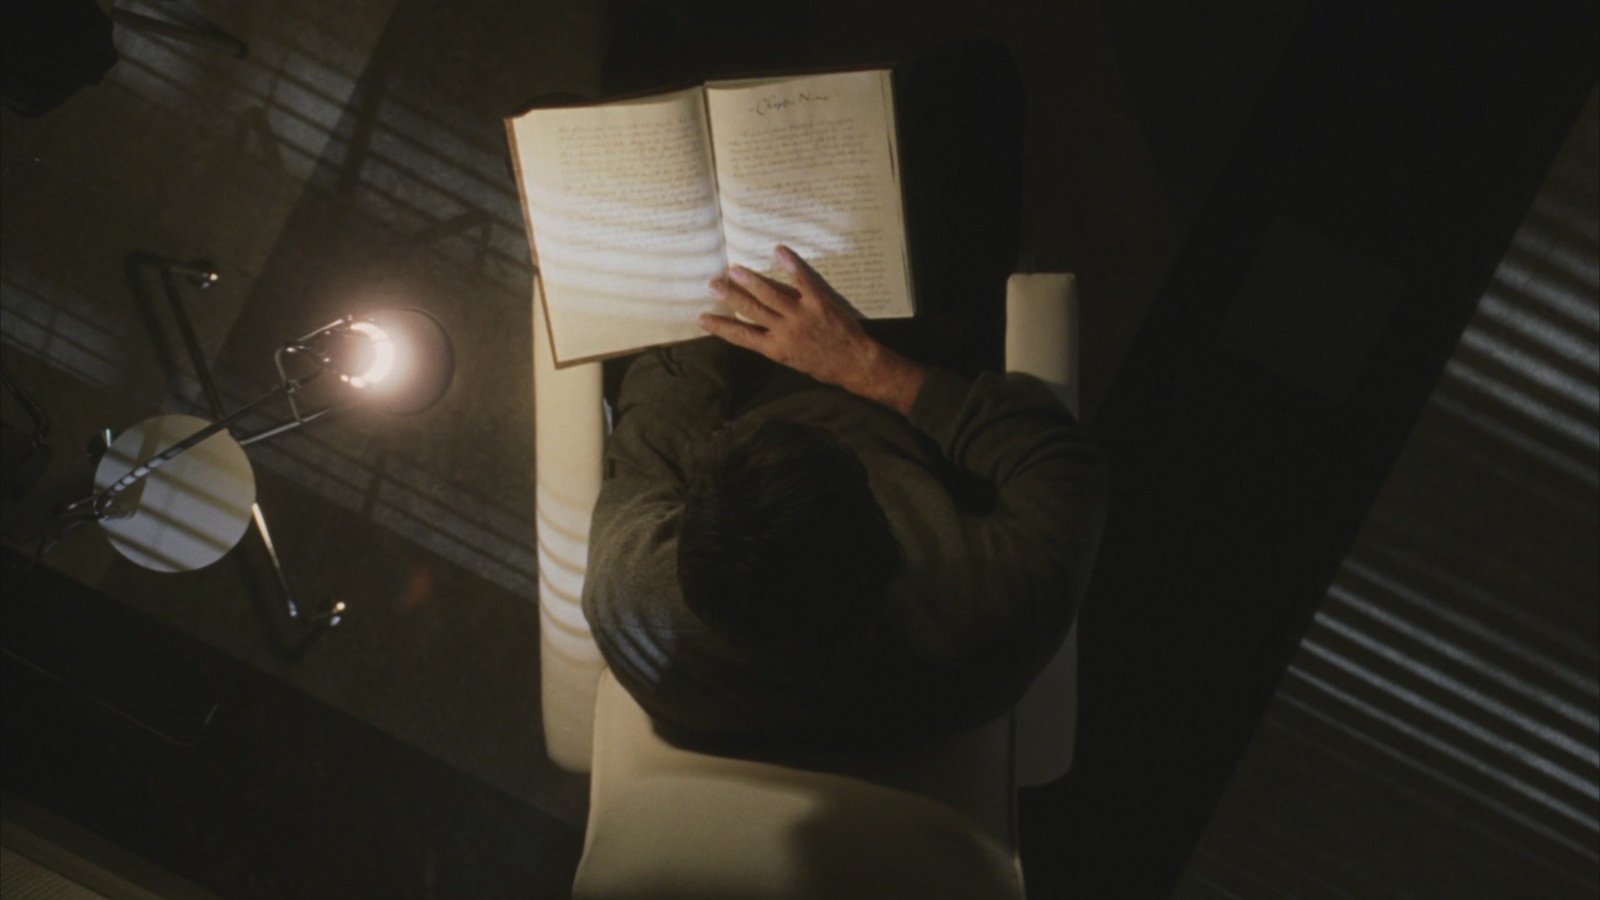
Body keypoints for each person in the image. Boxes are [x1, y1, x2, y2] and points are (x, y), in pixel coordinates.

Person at [581, 243, 1110, 750]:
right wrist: (866, 367)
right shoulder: (993, 611)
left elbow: (660, 402)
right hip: (911, 370)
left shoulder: (633, 596)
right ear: (885, 524)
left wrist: (718, 291)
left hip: (746, 379)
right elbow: (1059, 458)